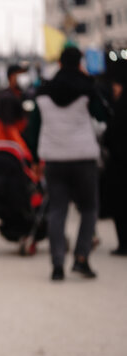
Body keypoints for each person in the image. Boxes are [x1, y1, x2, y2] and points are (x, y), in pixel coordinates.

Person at [32, 46, 108, 280]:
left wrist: (36, 159)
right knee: (88, 209)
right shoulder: (88, 88)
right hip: (83, 158)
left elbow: (34, 127)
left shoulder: (43, 91)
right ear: (79, 64)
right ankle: (81, 258)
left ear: (61, 64)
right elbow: (104, 115)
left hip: (54, 159)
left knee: (57, 211)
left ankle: (57, 265)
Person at [103, 60, 127, 256]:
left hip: (120, 165)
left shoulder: (119, 109)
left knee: (121, 205)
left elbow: (110, 135)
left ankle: (124, 244)